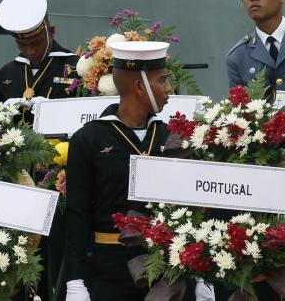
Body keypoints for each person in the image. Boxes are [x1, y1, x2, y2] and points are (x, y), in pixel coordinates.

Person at [64, 41, 213, 301]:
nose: (169, 89)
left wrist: (202, 277)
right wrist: (75, 282)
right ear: (140, 87)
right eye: (163, 80)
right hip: (110, 272)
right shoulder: (89, 139)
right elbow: (77, 214)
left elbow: (194, 211)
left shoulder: (176, 139)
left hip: (171, 272)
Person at [0, 0, 79, 113]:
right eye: (21, 44)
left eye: (36, 42)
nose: (30, 51)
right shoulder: (7, 72)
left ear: (52, 32)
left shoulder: (76, 67)